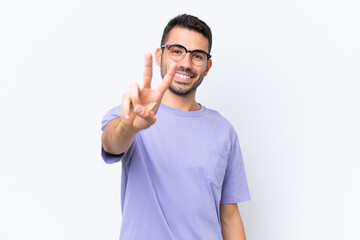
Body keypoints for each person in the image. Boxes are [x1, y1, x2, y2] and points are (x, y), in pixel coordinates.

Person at [101, 14, 250, 240]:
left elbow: (229, 216)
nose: (186, 63)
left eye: (197, 56)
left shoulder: (224, 131)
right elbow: (112, 143)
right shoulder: (131, 114)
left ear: (207, 66)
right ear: (160, 55)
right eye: (177, 51)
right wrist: (128, 126)